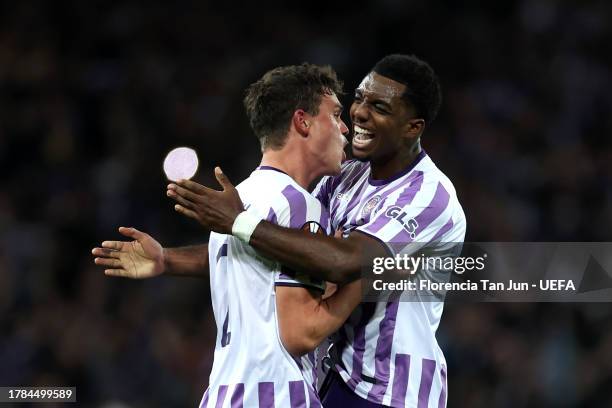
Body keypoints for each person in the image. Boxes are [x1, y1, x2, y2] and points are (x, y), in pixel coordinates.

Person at [165, 54, 466, 407]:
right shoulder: (347, 177)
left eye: (380, 106)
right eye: (360, 98)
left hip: (395, 390)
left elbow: (345, 262)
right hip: (337, 377)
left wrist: (239, 222)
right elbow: (281, 246)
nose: (359, 113)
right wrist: (167, 260)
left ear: (412, 127)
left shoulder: (430, 196)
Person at [93, 63, 362, 408]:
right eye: (336, 115)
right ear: (302, 121)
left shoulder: (238, 202)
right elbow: (301, 333)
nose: (344, 128)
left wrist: (168, 259)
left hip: (223, 393)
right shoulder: (297, 205)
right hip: (276, 393)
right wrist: (363, 275)